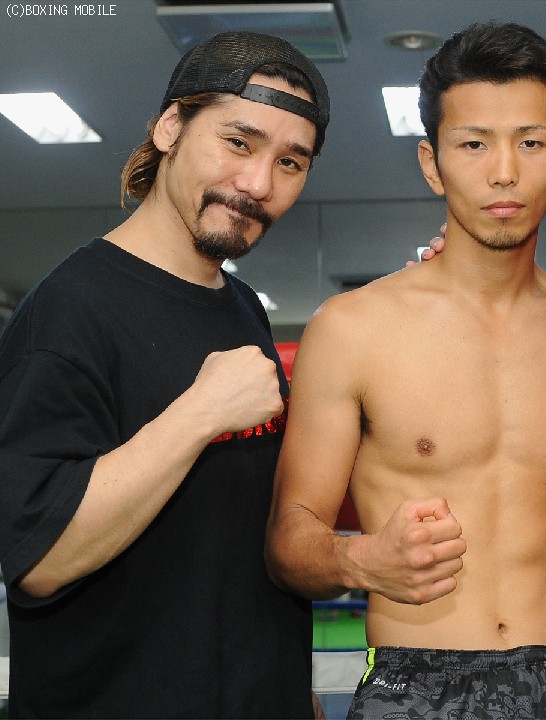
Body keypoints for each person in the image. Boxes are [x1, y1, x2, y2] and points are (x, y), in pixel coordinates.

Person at [265, 21, 546, 719]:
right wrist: (363, 560)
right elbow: (288, 538)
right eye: (474, 143)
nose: (504, 171)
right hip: (415, 680)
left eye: (531, 143)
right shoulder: (352, 331)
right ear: (433, 163)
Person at [0, 31, 330, 718]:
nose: (258, 184)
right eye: (238, 142)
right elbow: (39, 558)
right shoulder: (68, 312)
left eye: (290, 162)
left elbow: (231, 534)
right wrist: (198, 414)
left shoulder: (240, 306)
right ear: (171, 127)